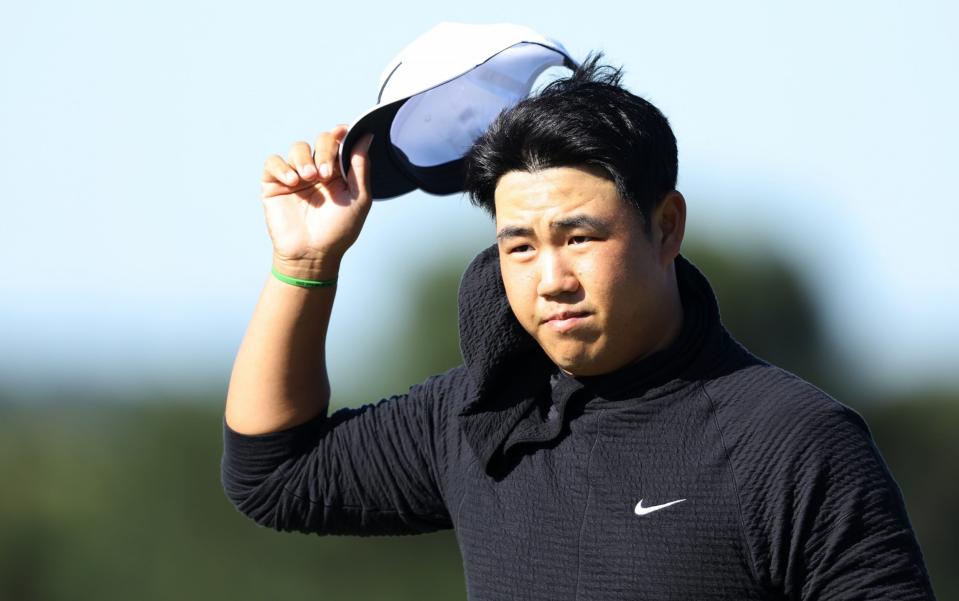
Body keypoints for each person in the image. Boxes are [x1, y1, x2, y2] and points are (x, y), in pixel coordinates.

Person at [221, 56, 937, 600]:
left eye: (580, 236)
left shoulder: (788, 439)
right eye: (520, 246)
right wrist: (305, 261)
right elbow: (274, 473)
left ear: (665, 227)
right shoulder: (482, 416)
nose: (551, 277)